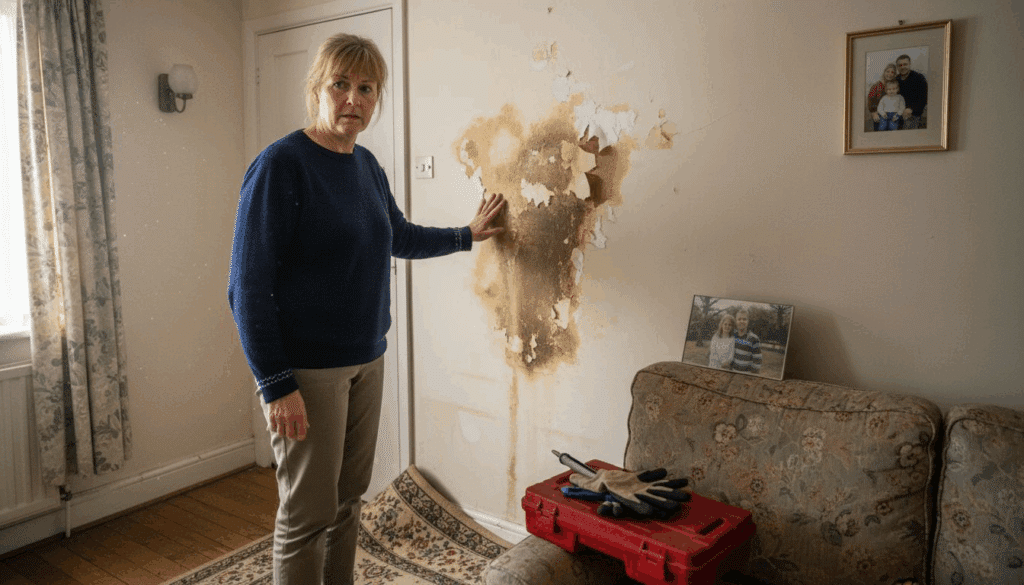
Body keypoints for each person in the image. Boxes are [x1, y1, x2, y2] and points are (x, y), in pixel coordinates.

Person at [227, 33, 505, 585]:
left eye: (367, 88)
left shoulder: (366, 166)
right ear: (317, 88)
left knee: (348, 501)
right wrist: (275, 383)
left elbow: (396, 235)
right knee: (307, 515)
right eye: (341, 84)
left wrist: (465, 235)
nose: (353, 99)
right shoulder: (282, 165)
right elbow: (246, 286)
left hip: (366, 360)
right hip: (308, 372)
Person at [895, 54, 928, 129]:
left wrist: (911, 110)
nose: (902, 67)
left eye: (905, 64)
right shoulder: (896, 79)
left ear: (909, 64)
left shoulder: (919, 78)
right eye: (900, 65)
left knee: (907, 128)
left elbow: (924, 98)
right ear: (897, 67)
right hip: (898, 112)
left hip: (913, 113)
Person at [731, 308, 762, 374]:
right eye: (739, 319)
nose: (741, 321)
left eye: (744, 319)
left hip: (746, 374)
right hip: (733, 372)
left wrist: (751, 376)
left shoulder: (754, 338)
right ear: (736, 321)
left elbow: (757, 361)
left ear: (748, 321)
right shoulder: (733, 336)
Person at [868, 63, 899, 129]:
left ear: (894, 75)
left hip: (892, 114)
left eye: (892, 72)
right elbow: (871, 99)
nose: (889, 74)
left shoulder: (895, 86)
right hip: (879, 114)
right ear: (884, 72)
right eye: (888, 71)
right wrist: (873, 112)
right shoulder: (876, 86)